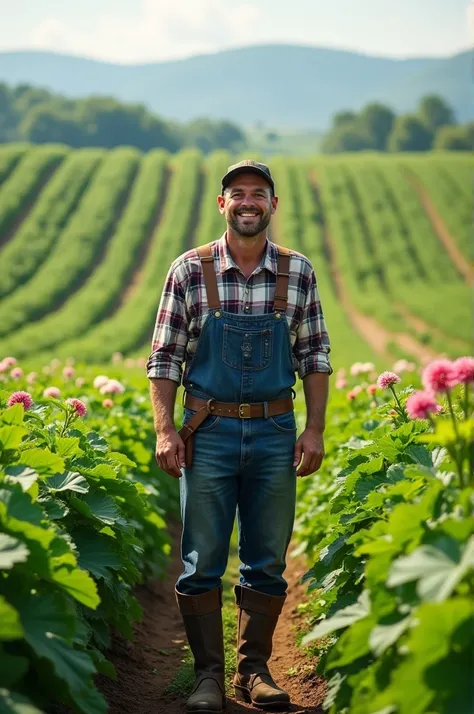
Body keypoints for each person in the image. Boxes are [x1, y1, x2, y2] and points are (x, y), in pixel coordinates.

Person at [147, 159, 332, 713]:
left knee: (267, 559)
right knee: (201, 557)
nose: (248, 202)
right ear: (222, 204)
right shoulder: (188, 270)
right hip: (209, 431)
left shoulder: (296, 272)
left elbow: (315, 355)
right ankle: (207, 676)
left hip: (276, 432)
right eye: (237, 194)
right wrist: (164, 430)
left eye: (259, 194)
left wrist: (314, 428)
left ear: (273, 205)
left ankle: (253, 672)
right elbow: (163, 358)